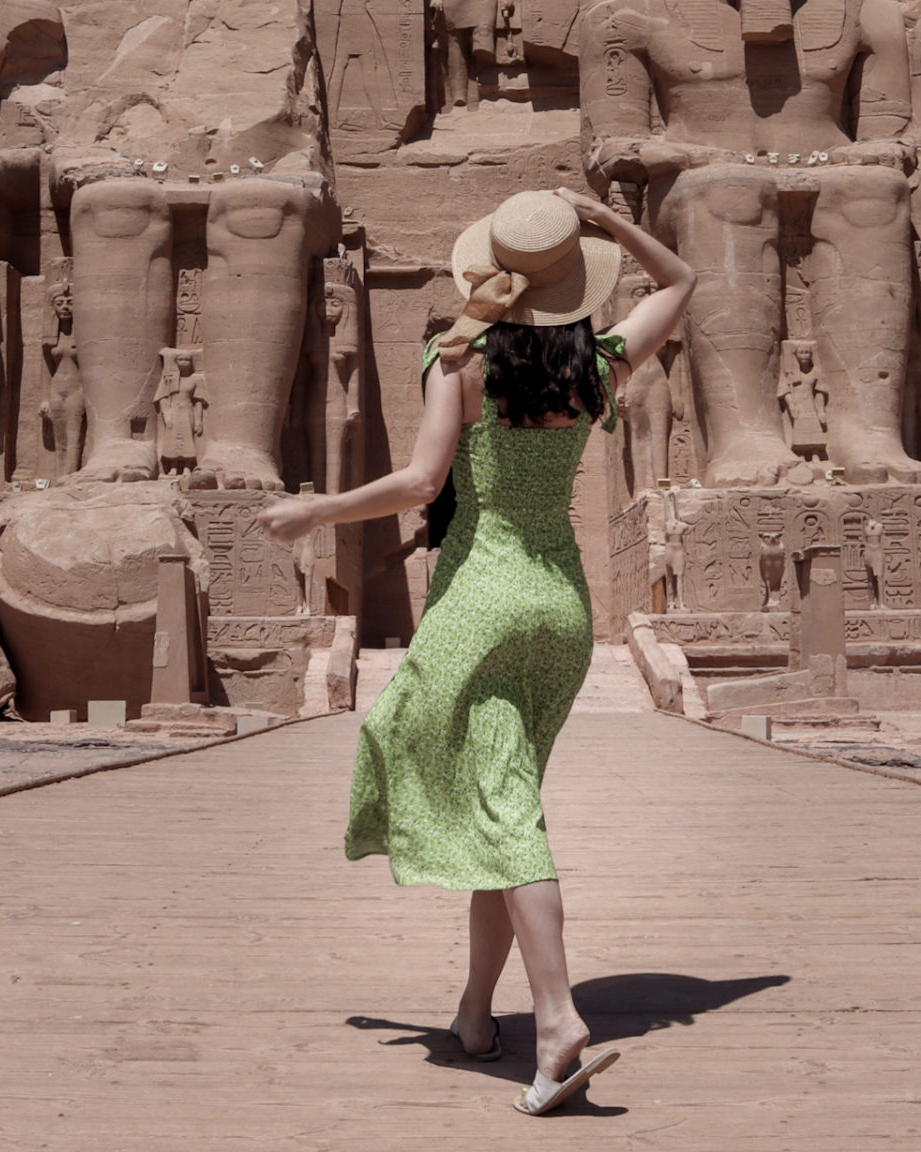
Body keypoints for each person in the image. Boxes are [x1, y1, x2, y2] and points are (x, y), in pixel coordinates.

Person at [258, 186, 694, 1116]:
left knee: (478, 791)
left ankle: (558, 1017)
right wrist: (607, 222)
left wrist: (317, 512)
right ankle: (473, 1013)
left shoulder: (457, 359)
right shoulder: (601, 366)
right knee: (505, 798)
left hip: (482, 595)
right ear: (577, 281)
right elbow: (683, 278)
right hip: (559, 603)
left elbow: (422, 479)